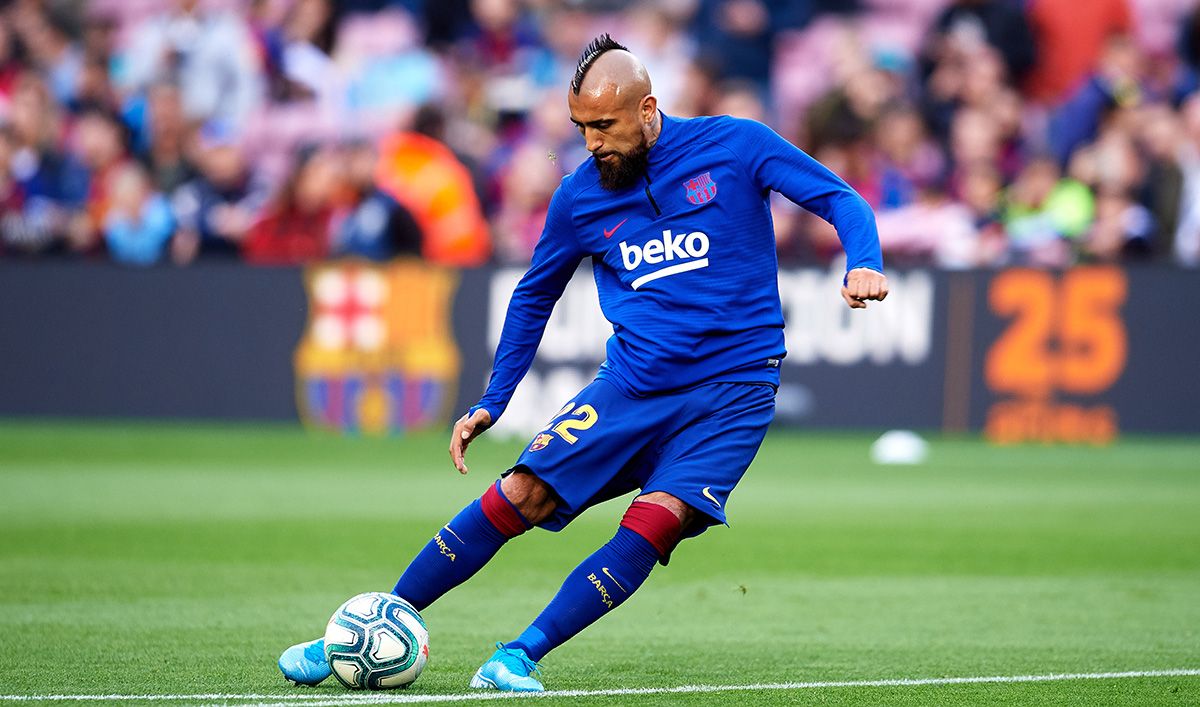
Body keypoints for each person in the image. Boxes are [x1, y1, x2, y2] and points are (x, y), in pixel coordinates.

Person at [278, 34, 887, 693]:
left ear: (648, 108)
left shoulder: (737, 145)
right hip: (632, 384)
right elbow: (535, 292)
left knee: (658, 517)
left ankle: (518, 655)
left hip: (733, 389)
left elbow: (841, 200)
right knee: (522, 493)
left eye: (604, 125)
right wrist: (495, 397)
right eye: (581, 127)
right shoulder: (580, 196)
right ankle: (371, 624)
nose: (593, 142)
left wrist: (863, 259)